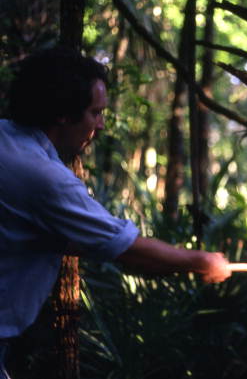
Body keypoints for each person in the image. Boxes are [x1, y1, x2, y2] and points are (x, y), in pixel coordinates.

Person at [0, 46, 232, 378]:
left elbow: (31, 235)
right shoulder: (45, 178)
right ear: (63, 114)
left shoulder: (6, 139)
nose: (101, 126)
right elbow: (128, 250)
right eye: (95, 113)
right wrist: (201, 261)